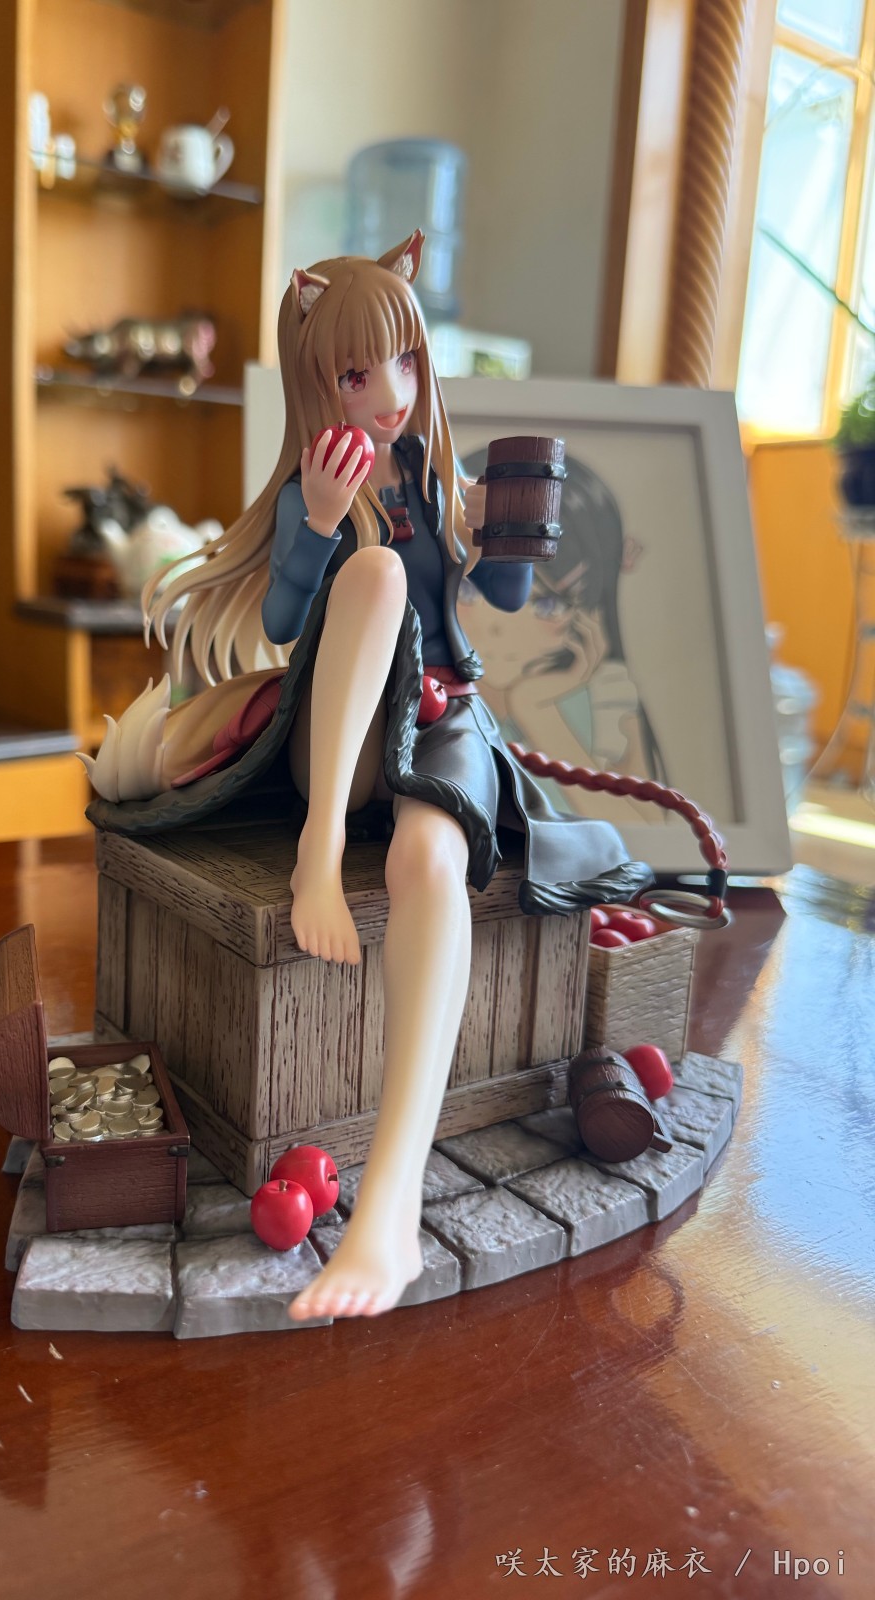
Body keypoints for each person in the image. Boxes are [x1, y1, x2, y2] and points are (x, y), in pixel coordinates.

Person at [80, 232, 653, 1320]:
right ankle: (317, 860)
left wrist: (498, 531)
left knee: (435, 863)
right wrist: (318, 524)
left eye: (406, 363)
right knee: (378, 573)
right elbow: (285, 618)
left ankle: (389, 1207)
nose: (391, 393)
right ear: (317, 381)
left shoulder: (437, 478)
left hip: (438, 725)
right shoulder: (319, 483)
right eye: (357, 373)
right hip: (336, 744)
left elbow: (505, 604)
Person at [458, 452, 670, 827]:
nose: (499, 626)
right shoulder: (428, 688)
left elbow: (651, 837)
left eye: (547, 605)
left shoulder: (606, 698)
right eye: (469, 590)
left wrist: (539, 714)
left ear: (589, 613)